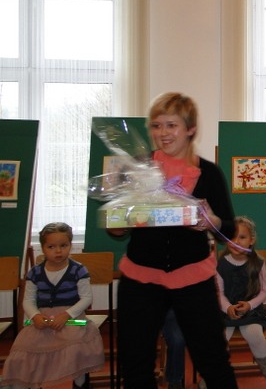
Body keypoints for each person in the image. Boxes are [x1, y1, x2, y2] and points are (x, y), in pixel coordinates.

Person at [111, 92, 238, 388]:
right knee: (135, 365)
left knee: (213, 362)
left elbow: (229, 229)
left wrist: (212, 221)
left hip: (193, 280)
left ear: (190, 128)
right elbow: (117, 228)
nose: (163, 133)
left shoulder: (209, 173)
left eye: (171, 125)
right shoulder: (136, 169)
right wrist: (117, 224)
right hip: (140, 280)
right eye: (156, 126)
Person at [1, 223, 104, 389]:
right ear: (43, 248)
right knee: (24, 347)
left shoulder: (78, 270)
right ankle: (28, 382)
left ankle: (78, 379)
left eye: (64, 245)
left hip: (72, 319)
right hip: (43, 319)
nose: (58, 251)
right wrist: (35, 316)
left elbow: (86, 298)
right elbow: (28, 301)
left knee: (74, 346)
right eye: (51, 247)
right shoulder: (35, 273)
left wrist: (66, 315)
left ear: (70, 245)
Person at [216, 216, 266, 389]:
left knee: (254, 333)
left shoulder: (258, 263)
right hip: (226, 312)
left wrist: (249, 305)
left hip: (251, 311)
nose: (236, 242)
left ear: (251, 240)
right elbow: (219, 293)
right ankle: (215, 373)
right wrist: (228, 308)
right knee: (218, 337)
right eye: (231, 237)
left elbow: (264, 291)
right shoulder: (220, 265)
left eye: (242, 237)